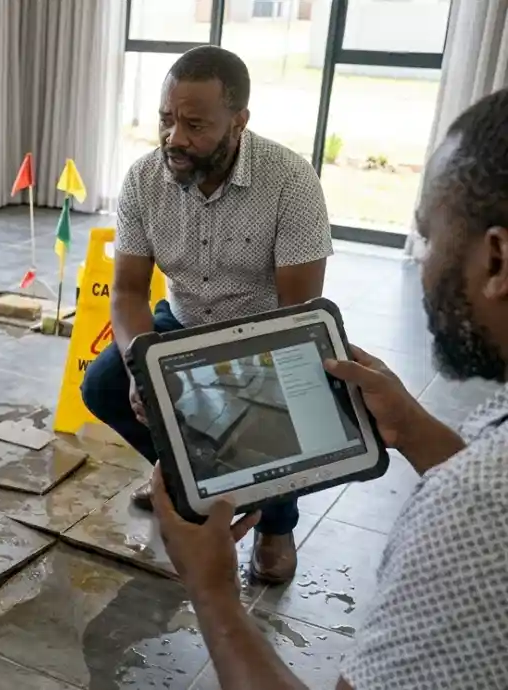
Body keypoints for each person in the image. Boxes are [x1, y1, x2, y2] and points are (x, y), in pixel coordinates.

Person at [151, 88, 508, 689]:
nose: (424, 265)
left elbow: (490, 508)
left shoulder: (476, 505)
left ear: (497, 259)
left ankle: (272, 526)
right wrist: (415, 432)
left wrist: (212, 592)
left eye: (429, 238)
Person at [80, 45, 332, 585]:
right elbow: (127, 292)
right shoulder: (144, 180)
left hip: (266, 334)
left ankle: (274, 521)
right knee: (101, 386)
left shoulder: (290, 181)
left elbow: (298, 314)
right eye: (167, 120)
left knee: (273, 419)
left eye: (194, 125)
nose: (175, 139)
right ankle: (184, 479)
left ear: (239, 122)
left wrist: (240, 378)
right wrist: (140, 366)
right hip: (184, 321)